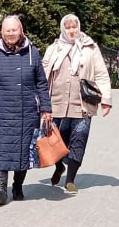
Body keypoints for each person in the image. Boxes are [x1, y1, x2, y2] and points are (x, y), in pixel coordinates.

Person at [0, 15, 52, 205]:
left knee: (23, 152)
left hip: (28, 111)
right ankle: (1, 191)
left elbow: (41, 83)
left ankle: (17, 186)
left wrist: (45, 108)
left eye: (14, 30)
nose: (11, 33)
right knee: (1, 150)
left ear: (21, 31)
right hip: (1, 111)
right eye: (7, 30)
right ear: (2, 32)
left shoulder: (33, 53)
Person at [42, 13, 112, 194]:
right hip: (56, 103)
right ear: (63, 29)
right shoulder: (53, 48)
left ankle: (70, 180)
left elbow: (102, 74)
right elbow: (41, 74)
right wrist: (39, 100)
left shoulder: (90, 48)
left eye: (74, 27)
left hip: (82, 104)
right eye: (68, 27)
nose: (72, 31)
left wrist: (106, 100)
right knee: (56, 142)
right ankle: (59, 167)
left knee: (79, 140)